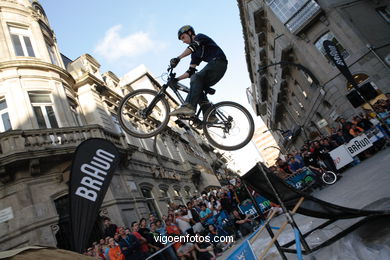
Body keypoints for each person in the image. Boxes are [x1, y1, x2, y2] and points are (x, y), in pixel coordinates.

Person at [169, 25, 228, 117]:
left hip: (219, 63)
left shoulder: (200, 37)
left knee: (196, 77)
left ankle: (189, 107)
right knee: (197, 86)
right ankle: (210, 116)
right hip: (215, 69)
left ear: (190, 33)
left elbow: (193, 47)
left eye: (183, 37)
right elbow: (190, 72)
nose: (183, 41)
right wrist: (176, 79)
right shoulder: (195, 54)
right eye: (181, 40)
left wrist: (178, 58)